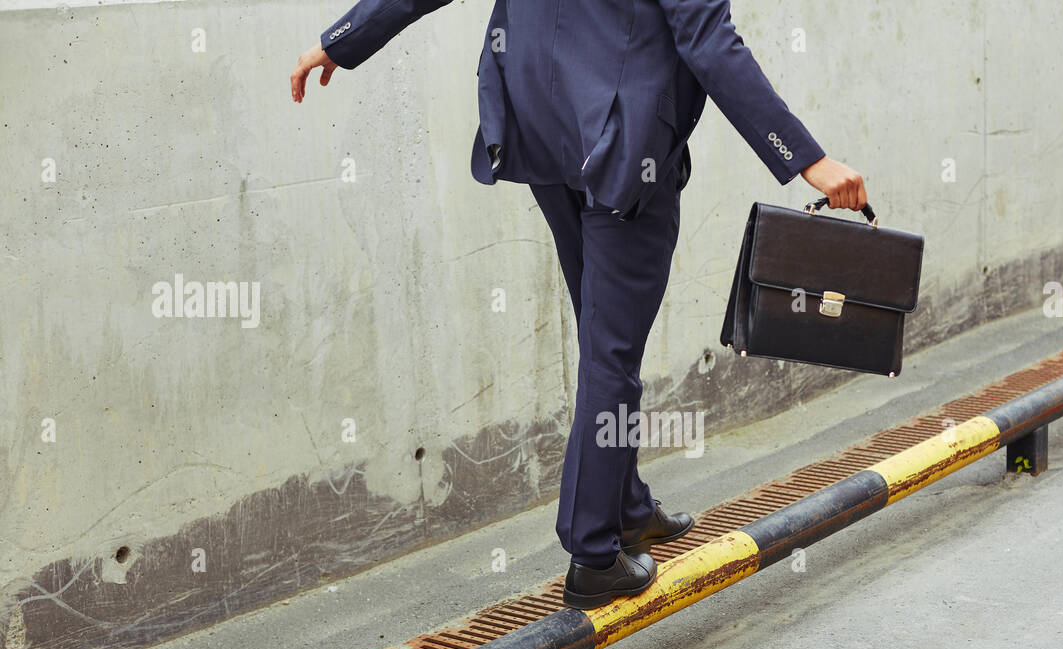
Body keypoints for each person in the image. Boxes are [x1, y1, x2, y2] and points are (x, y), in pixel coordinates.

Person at [292, 1, 867, 609]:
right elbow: (708, 43)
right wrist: (808, 160)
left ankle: (626, 508)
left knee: (602, 334)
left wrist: (343, 40)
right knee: (610, 353)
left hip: (543, 127)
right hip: (624, 144)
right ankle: (593, 556)